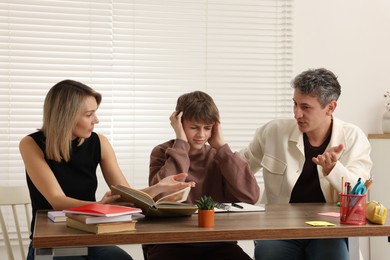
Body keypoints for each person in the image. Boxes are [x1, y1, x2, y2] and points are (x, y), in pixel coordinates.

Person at [19, 80, 195, 260]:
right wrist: (100, 206)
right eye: (89, 114)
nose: (96, 120)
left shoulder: (99, 142)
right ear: (66, 115)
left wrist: (158, 187)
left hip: (87, 235)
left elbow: (125, 194)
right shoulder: (31, 144)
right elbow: (57, 201)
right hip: (51, 243)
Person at [240, 68, 372, 260]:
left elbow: (358, 191)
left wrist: (333, 169)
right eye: (294, 104)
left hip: (330, 232)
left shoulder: (353, 137)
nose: (297, 114)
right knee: (269, 253)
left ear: (331, 107)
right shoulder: (273, 132)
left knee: (334, 255)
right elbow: (239, 169)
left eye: (306, 107)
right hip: (281, 229)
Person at [142, 90, 260, 260]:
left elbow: (250, 196)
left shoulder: (219, 155)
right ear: (179, 124)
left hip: (217, 243)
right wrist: (180, 142)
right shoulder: (162, 152)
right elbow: (161, 195)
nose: (201, 135)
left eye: (207, 128)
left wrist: (222, 148)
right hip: (171, 243)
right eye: (193, 127)